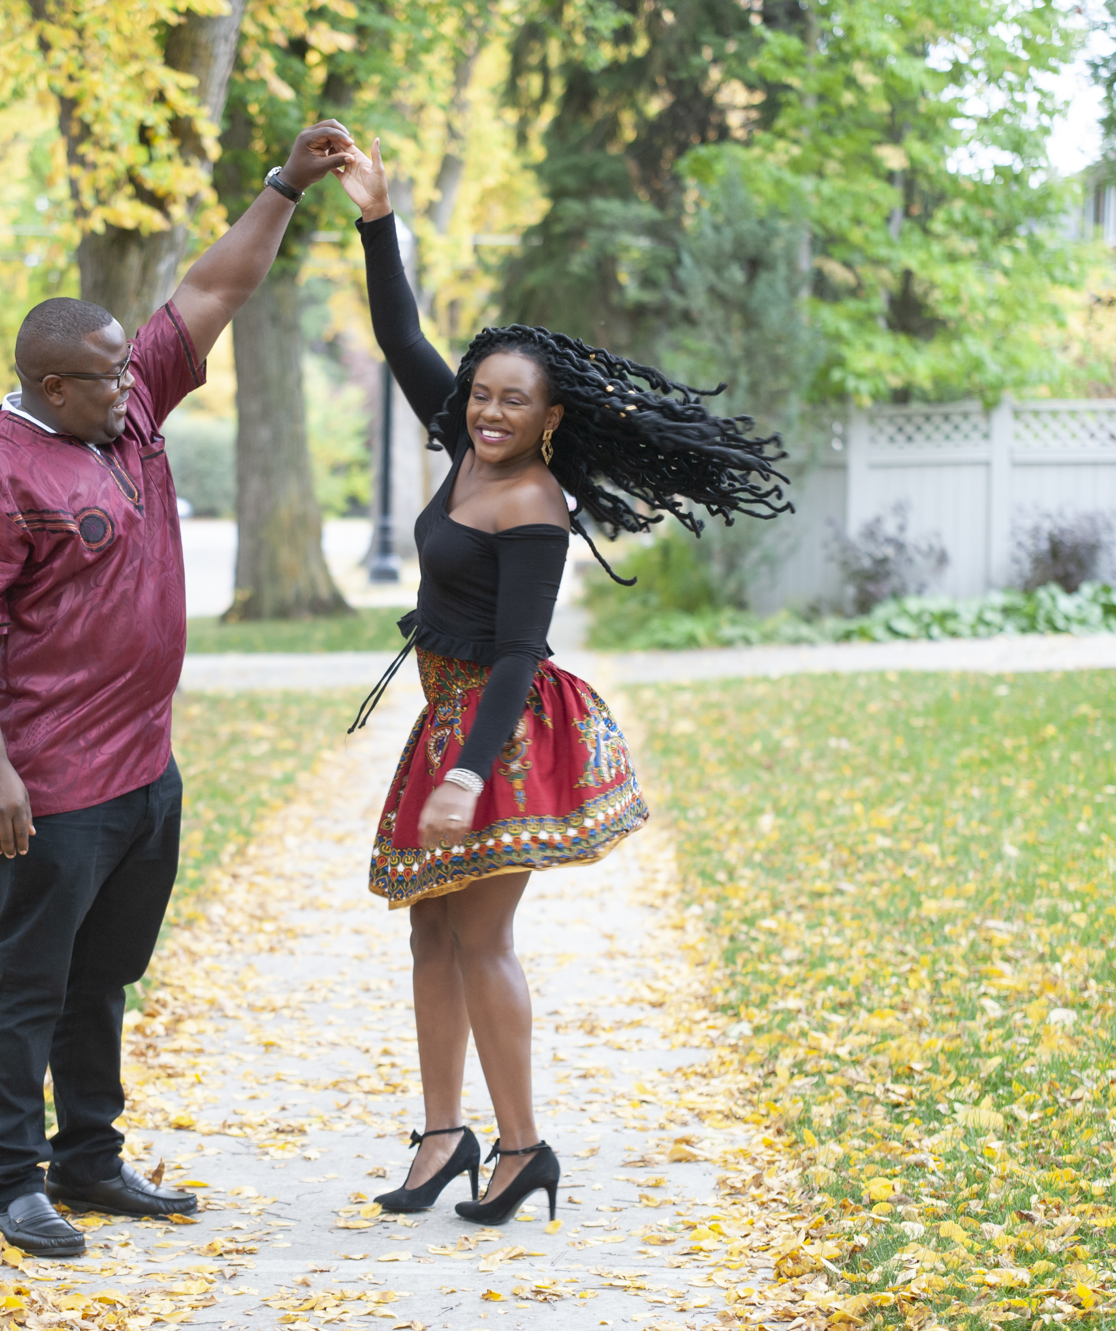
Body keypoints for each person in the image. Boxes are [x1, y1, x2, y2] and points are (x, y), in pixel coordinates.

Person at [0, 121, 358, 1259]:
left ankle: (88, 1157)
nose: (134, 379)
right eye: (110, 371)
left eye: (129, 364)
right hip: (46, 782)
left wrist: (284, 186)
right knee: (29, 975)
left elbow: (215, 285)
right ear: (50, 383)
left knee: (103, 973)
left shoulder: (129, 410)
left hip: (143, 772)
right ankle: (7, 1177)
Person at [331, 139, 792, 1224]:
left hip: (500, 726)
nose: (485, 413)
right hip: (446, 715)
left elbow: (517, 652)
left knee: (479, 933)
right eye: (477, 395)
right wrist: (375, 219)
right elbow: (399, 333)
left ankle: (523, 1144)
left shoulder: (531, 503)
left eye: (508, 404)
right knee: (426, 929)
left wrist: (465, 773)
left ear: (549, 420)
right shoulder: (462, 444)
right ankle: (443, 1134)